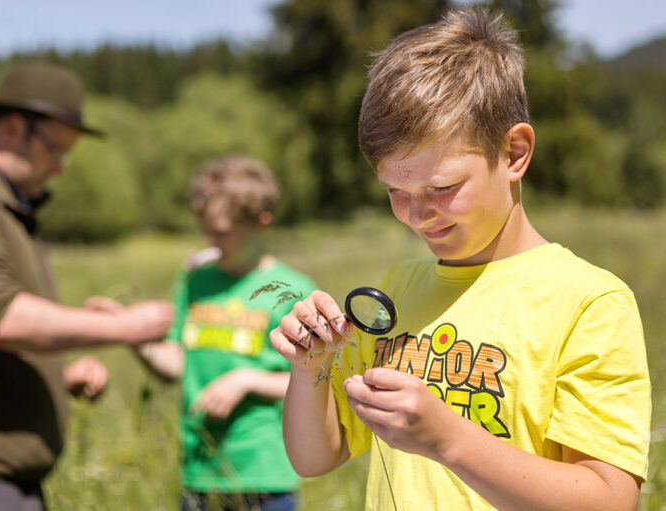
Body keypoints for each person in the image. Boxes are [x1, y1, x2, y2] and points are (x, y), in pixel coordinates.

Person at [268, 7, 650, 511]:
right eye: (395, 190)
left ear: (514, 153)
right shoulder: (399, 286)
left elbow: (609, 500)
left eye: (442, 187)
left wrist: (449, 439)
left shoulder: (590, 303)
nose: (418, 214)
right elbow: (317, 456)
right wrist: (310, 367)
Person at [0, 62, 173, 511]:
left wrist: (55, 378)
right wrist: (125, 326)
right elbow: (0, 317)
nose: (60, 170)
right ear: (11, 128)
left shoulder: (3, 208)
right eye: (54, 152)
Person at [136, 156, 317, 511]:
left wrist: (247, 380)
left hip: (264, 474)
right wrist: (130, 335)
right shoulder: (194, 280)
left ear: (262, 222)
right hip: (199, 473)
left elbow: (318, 380)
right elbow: (176, 365)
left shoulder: (294, 290)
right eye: (205, 229)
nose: (209, 240)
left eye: (221, 231)